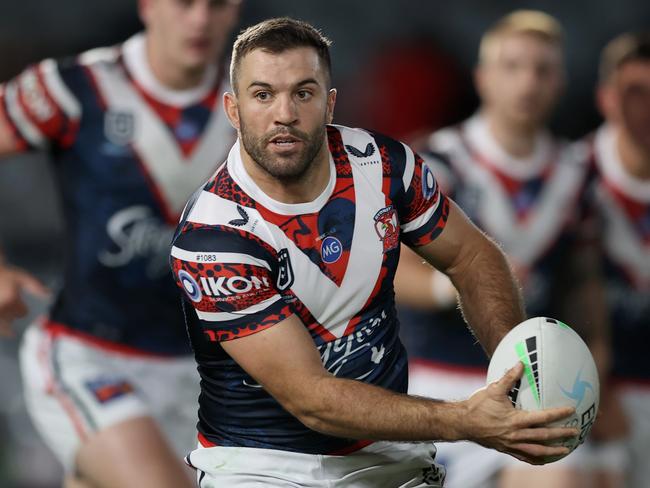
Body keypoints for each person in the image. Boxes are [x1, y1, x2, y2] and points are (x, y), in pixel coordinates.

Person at [170, 17, 579, 487]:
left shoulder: (386, 167)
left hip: (388, 459)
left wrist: (518, 373)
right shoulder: (213, 237)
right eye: (263, 94)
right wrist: (465, 420)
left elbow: (472, 257)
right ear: (233, 109)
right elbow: (313, 399)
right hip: (262, 466)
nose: (284, 113)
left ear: (330, 103)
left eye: (304, 92)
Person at [0, 0, 240, 486]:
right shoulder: (74, 87)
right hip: (89, 353)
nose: (199, 20)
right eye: (184, 3)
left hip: (208, 373)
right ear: (148, 4)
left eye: (215, 4)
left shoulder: (261, 104)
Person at [394, 11, 607, 488]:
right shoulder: (436, 161)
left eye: (542, 69)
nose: (527, 81)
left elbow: (585, 286)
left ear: (560, 81)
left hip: (539, 387)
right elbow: (391, 267)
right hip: (439, 381)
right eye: (512, 66)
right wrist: (456, 287)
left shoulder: (576, 175)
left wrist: (599, 377)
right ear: (483, 78)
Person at [575, 31, 650, 488]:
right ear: (606, 98)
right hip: (592, 394)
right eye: (634, 93)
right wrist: (594, 387)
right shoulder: (570, 180)